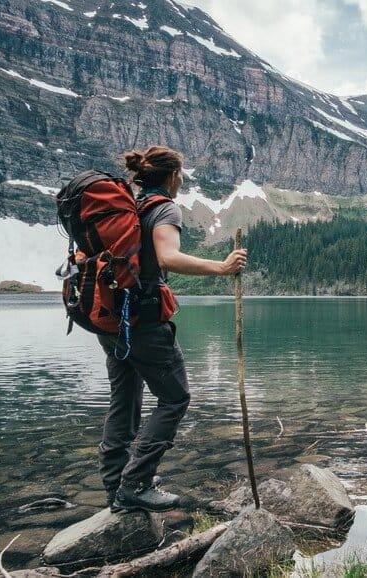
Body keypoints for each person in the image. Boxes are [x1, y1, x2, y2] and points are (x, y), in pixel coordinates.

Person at [99, 145, 248, 512]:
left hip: (111, 319)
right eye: (180, 174)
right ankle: (135, 484)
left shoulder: (127, 208)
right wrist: (222, 268)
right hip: (145, 322)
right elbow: (168, 257)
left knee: (125, 399)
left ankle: (116, 482)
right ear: (172, 176)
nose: (181, 180)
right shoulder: (164, 207)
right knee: (175, 398)